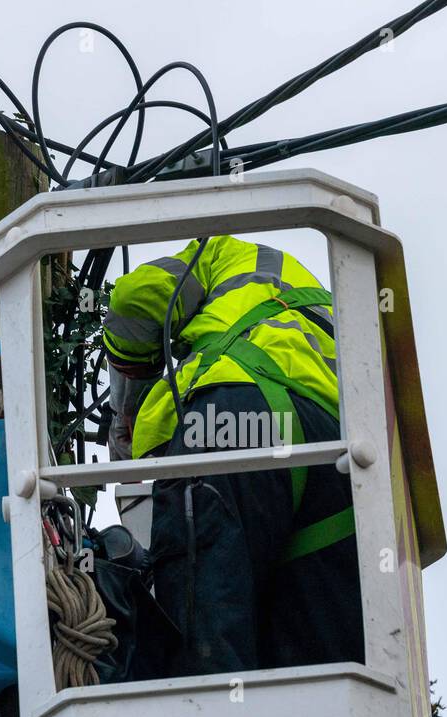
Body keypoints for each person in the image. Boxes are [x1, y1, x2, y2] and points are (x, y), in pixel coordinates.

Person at [103, 235, 364, 676]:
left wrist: (128, 387)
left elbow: (134, 302)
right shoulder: (327, 306)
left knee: (203, 635)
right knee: (317, 670)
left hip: (237, 421)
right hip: (333, 456)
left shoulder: (219, 250)